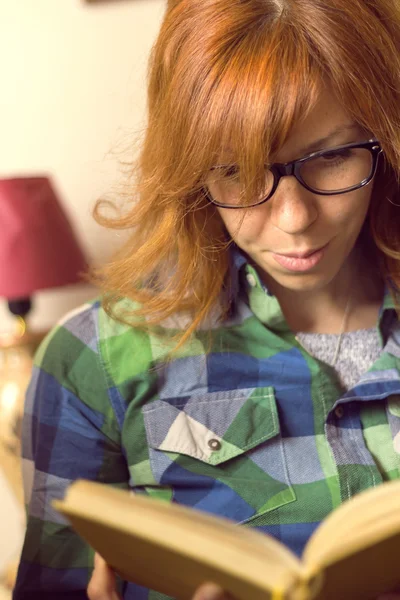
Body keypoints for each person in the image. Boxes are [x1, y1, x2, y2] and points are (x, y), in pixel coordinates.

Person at [12, 0, 400, 599]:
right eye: (237, 171)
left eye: (332, 156)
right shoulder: (95, 360)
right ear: (191, 170)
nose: (294, 220)